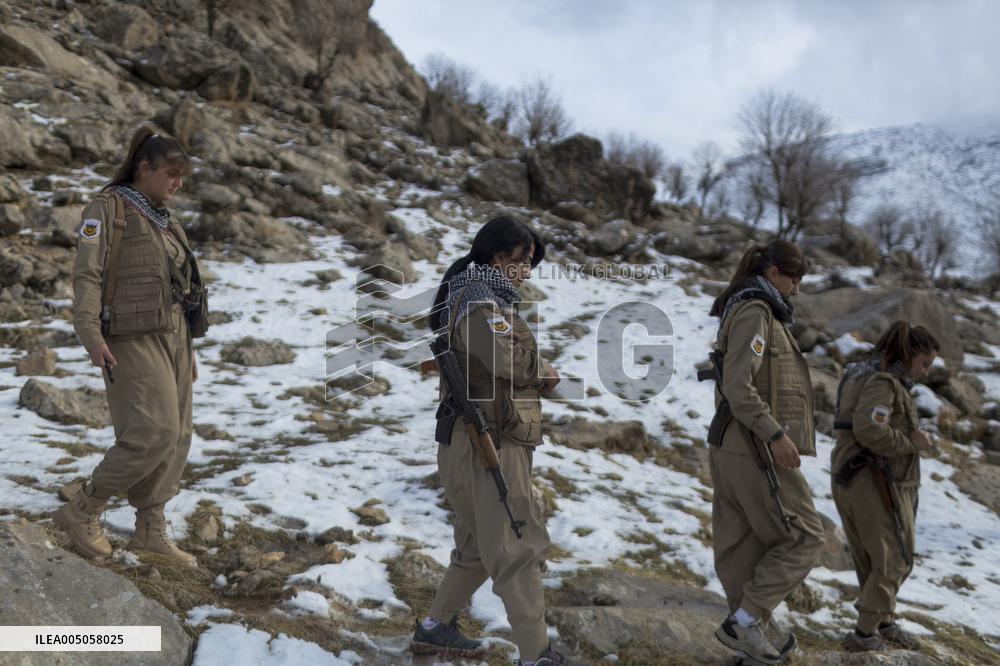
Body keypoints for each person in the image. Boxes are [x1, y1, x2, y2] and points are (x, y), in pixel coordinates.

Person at [411, 216, 574, 666]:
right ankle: (536, 654)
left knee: (475, 547)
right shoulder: (480, 300)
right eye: (525, 262)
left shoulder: (480, 297)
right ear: (500, 256)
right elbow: (505, 358)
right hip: (488, 443)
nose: (529, 272)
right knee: (515, 545)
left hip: (476, 440)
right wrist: (541, 372)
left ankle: (435, 628)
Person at [52, 125, 206, 567]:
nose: (177, 184)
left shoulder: (167, 219)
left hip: (174, 334)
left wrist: (189, 347)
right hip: (128, 336)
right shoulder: (107, 209)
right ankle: (82, 510)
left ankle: (149, 529)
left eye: (183, 176)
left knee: (177, 434)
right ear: (144, 168)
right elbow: (88, 276)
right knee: (151, 432)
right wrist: (90, 334)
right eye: (171, 174)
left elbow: (181, 284)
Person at [706, 240, 824, 665]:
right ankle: (746, 620)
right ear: (774, 273)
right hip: (752, 446)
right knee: (807, 534)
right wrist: (775, 434)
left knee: (743, 544)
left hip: (731, 442)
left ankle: (755, 640)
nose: (797, 289)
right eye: (794, 279)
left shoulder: (746, 307)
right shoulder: (756, 311)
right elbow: (739, 386)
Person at [831, 321, 938, 652]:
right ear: (909, 354)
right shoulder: (883, 382)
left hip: (855, 477)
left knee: (874, 558)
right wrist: (911, 442)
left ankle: (882, 621)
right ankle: (864, 634)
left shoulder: (862, 373)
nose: (924, 373)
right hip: (872, 480)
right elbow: (870, 430)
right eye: (924, 364)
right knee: (896, 559)